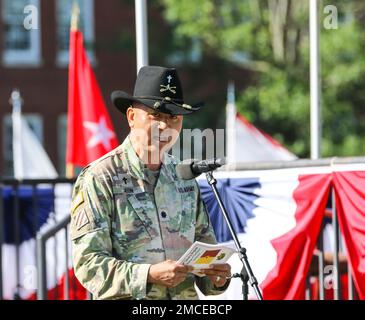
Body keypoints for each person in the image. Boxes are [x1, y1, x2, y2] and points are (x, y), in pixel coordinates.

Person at [70, 65, 231, 300]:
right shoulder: (100, 177)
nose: (165, 126)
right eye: (156, 116)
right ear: (132, 117)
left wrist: (216, 277)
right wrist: (148, 274)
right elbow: (88, 265)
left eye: (173, 117)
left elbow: (203, 255)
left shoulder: (183, 175)